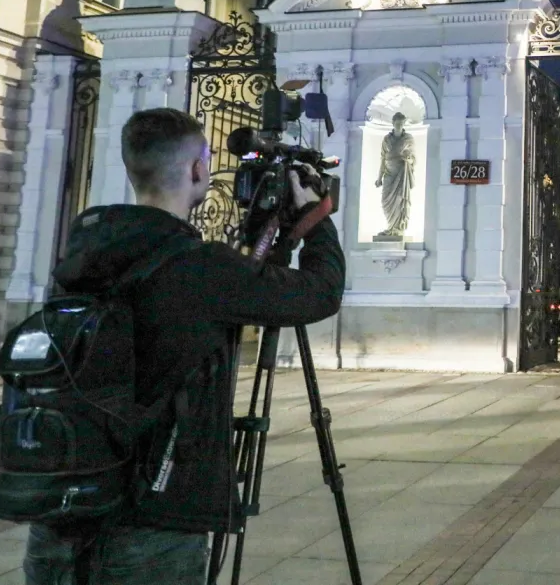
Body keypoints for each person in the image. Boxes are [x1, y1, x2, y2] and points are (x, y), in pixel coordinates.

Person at [21, 108, 345, 585]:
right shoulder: (202, 269)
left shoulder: (82, 255)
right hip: (153, 522)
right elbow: (320, 292)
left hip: (60, 515)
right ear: (197, 170)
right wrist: (317, 219)